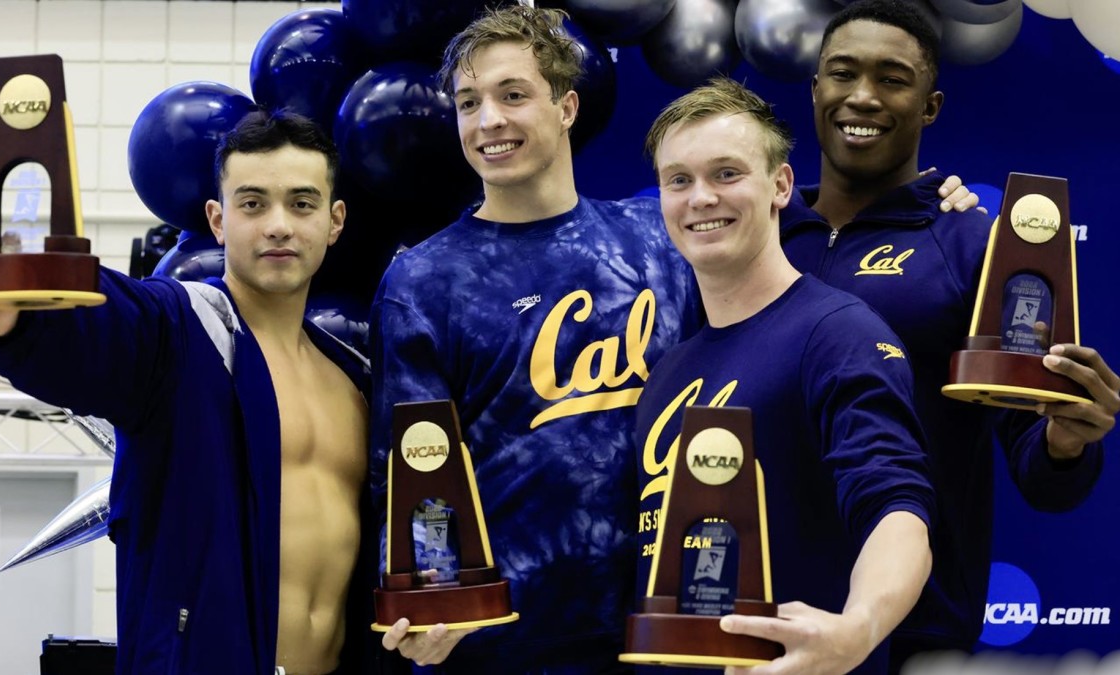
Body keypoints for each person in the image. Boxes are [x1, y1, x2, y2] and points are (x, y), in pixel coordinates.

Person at [0, 111, 380, 675]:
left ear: (335, 221)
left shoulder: (353, 377)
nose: (278, 225)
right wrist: (15, 315)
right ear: (217, 220)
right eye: (253, 203)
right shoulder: (179, 331)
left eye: (302, 203)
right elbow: (101, 323)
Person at [781, 0, 1120, 669]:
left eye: (892, 78)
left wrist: (1066, 439)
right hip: (760, 614)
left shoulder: (971, 244)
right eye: (842, 74)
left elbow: (1042, 470)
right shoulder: (757, 236)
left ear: (930, 106)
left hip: (913, 629)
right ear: (815, 88)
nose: (863, 97)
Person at [370, 6, 703, 672]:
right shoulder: (423, 279)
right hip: (501, 647)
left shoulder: (658, 241)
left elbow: (766, 207)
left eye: (513, 94)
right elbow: (407, 478)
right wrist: (428, 603)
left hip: (661, 639)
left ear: (567, 106)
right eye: (469, 102)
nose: (488, 119)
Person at [633, 76, 935, 675]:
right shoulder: (669, 368)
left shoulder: (836, 334)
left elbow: (897, 509)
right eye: (679, 180)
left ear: (780, 185)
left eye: (726, 173)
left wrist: (858, 629)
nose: (700, 198)